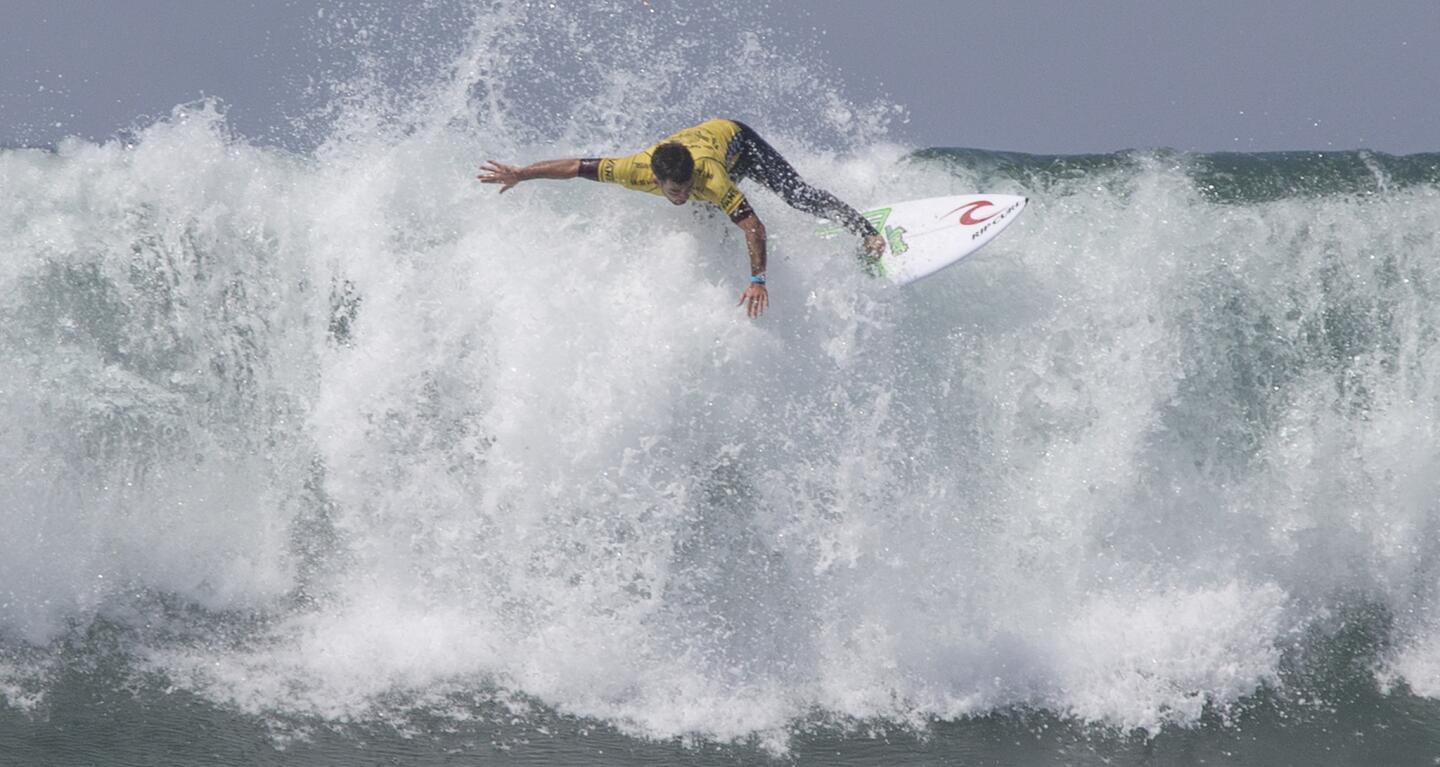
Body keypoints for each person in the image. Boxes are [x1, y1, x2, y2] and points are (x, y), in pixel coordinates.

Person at [478, 118, 885, 318]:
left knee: (797, 194)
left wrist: (759, 280)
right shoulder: (631, 170)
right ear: (656, 180)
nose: (684, 194)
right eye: (677, 191)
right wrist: (522, 174)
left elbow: (754, 225)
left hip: (738, 142)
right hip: (699, 154)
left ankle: (865, 232)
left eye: (688, 186)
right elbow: (573, 167)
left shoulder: (709, 177)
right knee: (712, 225)